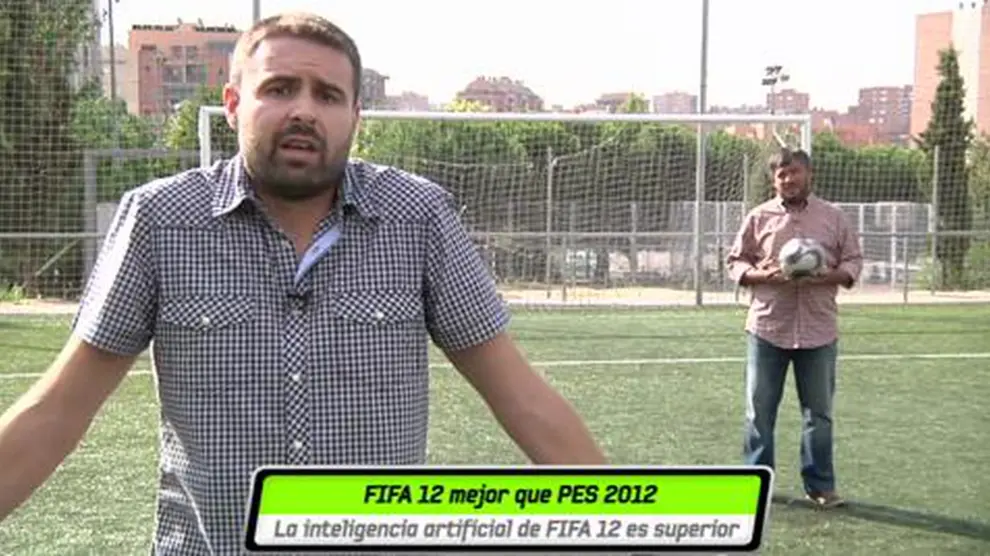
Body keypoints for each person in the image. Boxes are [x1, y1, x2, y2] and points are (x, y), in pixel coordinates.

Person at [0, 12, 607, 554]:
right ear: (233, 103)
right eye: (279, 88)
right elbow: (57, 410)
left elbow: (521, 398)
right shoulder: (160, 220)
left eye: (328, 95)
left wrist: (632, 525)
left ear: (355, 116)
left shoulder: (418, 218)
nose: (304, 111)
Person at [726, 148, 863, 509]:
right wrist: (761, 275)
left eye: (795, 172)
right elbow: (735, 261)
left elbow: (853, 259)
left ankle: (820, 486)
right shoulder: (759, 217)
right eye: (781, 175)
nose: (788, 180)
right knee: (759, 412)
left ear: (808, 174)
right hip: (768, 327)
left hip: (819, 329)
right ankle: (756, 484)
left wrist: (829, 275)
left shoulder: (833, 217)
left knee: (819, 413)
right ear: (774, 180)